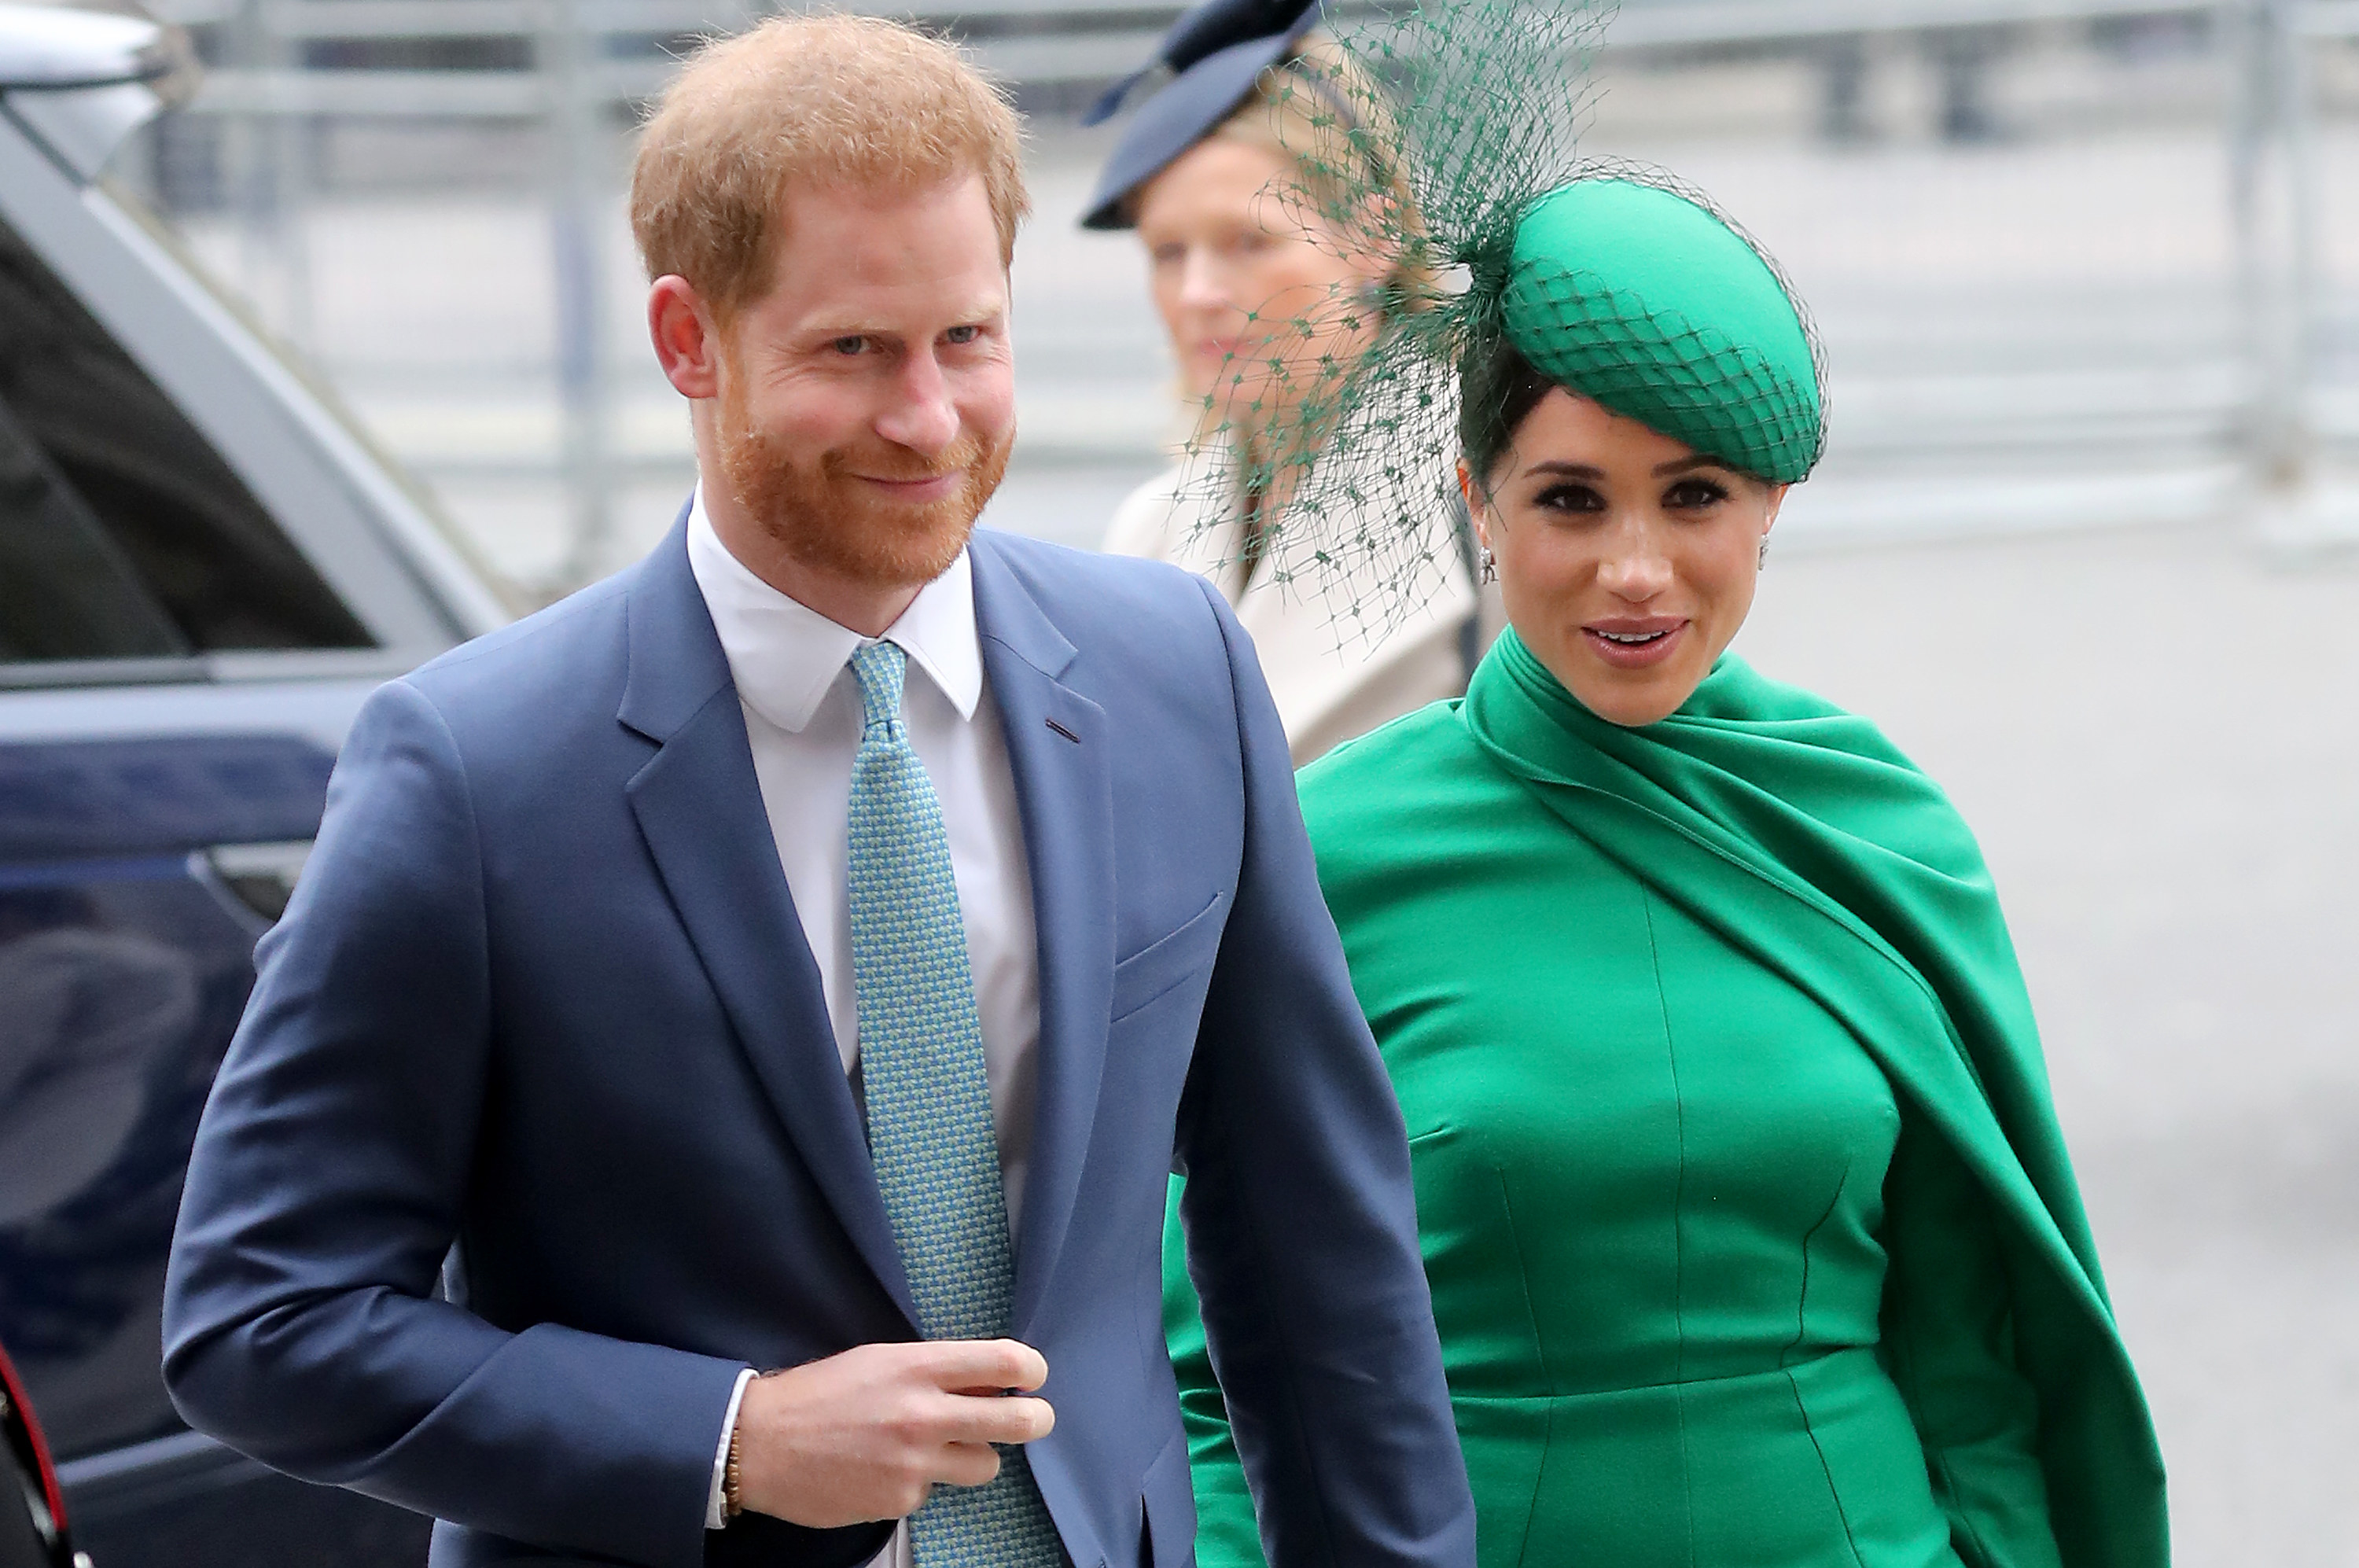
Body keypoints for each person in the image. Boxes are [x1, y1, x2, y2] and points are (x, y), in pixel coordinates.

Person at [159, 18, 1476, 1568]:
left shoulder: (1174, 672)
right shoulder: (472, 771)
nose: (928, 420)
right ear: (686, 341)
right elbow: (260, 1317)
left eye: (968, 340)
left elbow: (1320, 1263)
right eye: (854, 351)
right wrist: (730, 1441)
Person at [1161, 168, 2170, 1568]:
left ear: (1766, 508)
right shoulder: (1322, 854)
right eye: (1571, 500)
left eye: (1692, 495)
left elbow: (1977, 1351)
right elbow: (1211, 1369)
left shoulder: (1879, 826)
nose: (1636, 569)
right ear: (1479, 500)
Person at [1080, 0, 1490, 764]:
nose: (1198, 290)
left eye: (1249, 241)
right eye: (1168, 252)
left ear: (1374, 236)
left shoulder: (1495, 501)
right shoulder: (1149, 532)